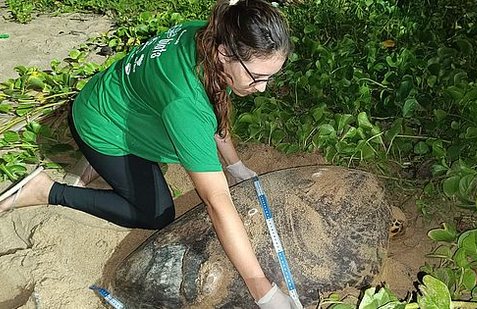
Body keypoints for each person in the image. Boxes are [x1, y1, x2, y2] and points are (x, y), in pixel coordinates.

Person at [0, 0, 297, 307]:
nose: (262, 88)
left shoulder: (206, 34)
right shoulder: (185, 105)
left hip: (113, 96)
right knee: (156, 212)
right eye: (257, 77)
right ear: (225, 54)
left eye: (270, 77)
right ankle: (47, 190)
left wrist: (235, 166)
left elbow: (215, 100)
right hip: (100, 125)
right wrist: (260, 287)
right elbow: (216, 201)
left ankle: (99, 161)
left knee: (180, 138)